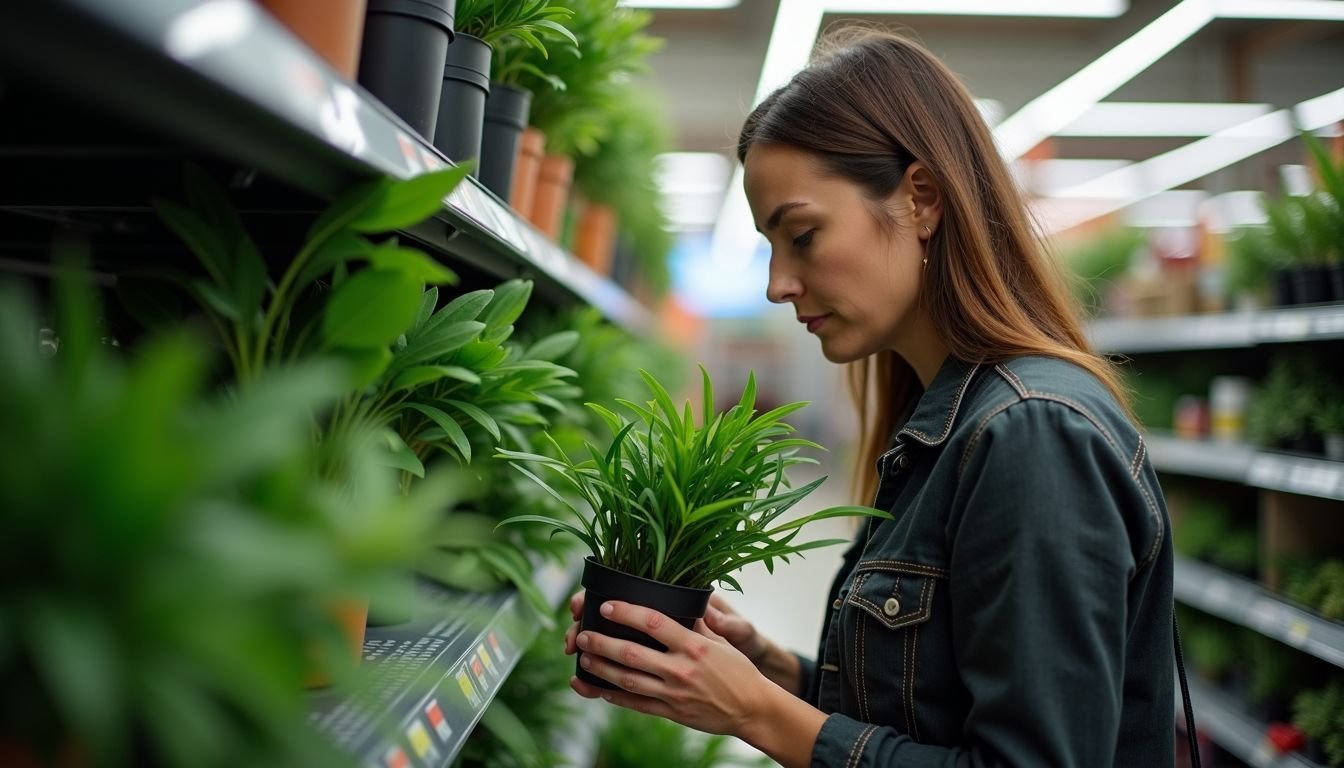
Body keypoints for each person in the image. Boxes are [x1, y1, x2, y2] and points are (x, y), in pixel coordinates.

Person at [564, 27, 1184, 767]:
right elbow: (932, 709)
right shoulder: (942, 428)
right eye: (770, 245)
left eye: (803, 235)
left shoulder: (1031, 435)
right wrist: (768, 668)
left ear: (920, 197)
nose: (777, 284)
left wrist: (760, 715)